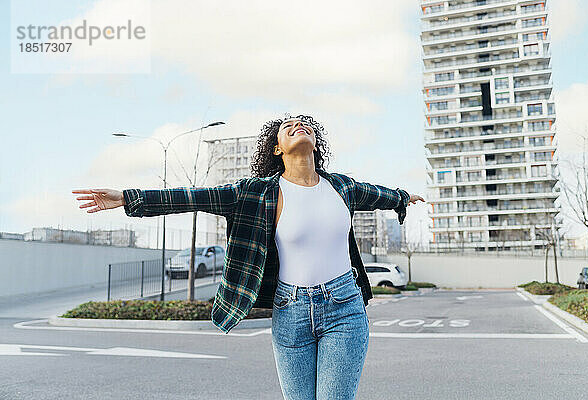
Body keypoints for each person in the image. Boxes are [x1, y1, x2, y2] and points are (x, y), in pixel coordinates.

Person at [73, 114, 424, 400]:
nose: (297, 126)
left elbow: (381, 195)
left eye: (304, 124)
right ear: (276, 149)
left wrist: (404, 198)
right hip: (291, 312)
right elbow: (193, 196)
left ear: (316, 142)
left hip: (344, 309)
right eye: (288, 127)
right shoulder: (256, 193)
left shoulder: (341, 187)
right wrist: (127, 198)